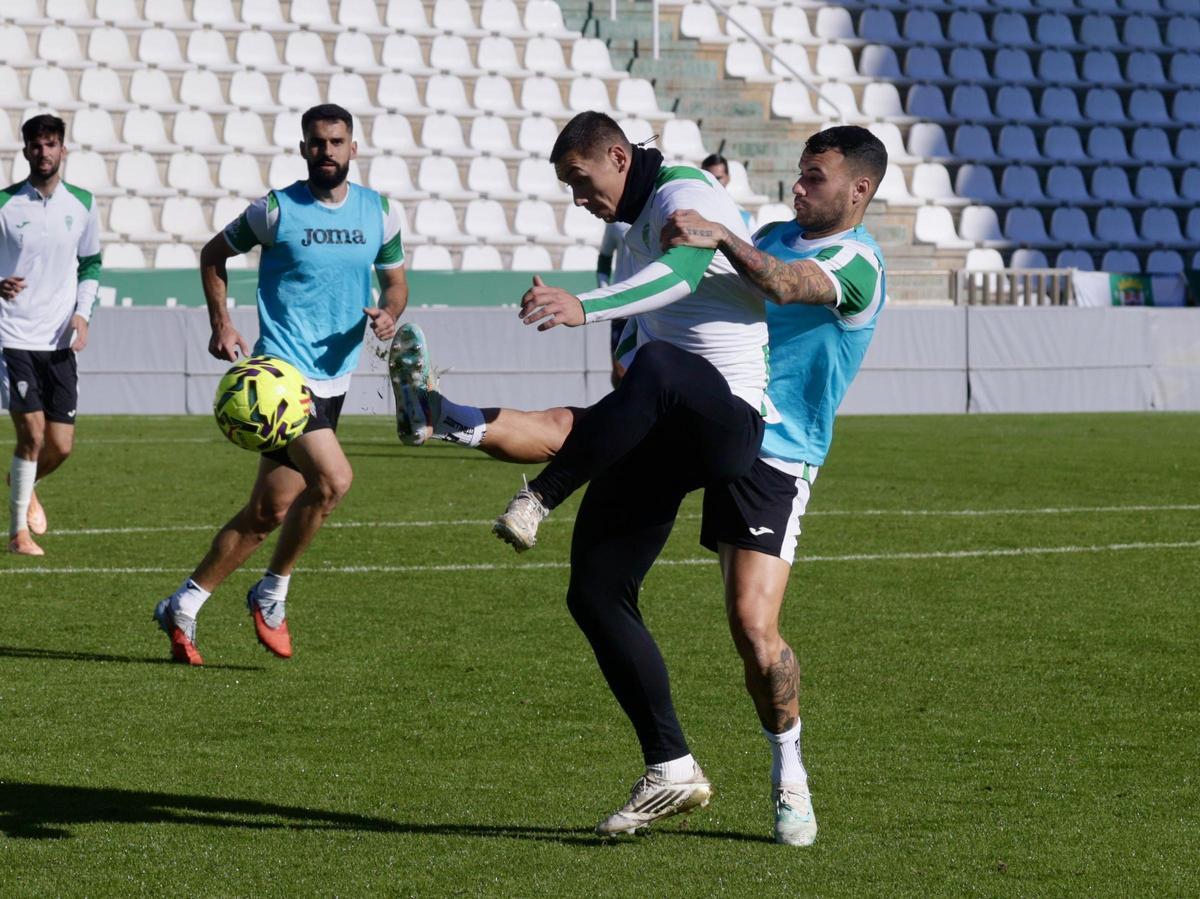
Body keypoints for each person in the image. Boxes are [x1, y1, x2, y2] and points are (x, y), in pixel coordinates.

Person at [393, 125, 889, 845]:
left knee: (754, 631)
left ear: (860, 190)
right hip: (690, 405)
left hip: (773, 449)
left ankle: (789, 767)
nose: (799, 186)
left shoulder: (859, 264)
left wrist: (715, 234)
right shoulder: (773, 228)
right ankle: (671, 765)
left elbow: (781, 284)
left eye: (816, 176)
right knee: (593, 581)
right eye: (802, 172)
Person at [153, 104, 408, 666]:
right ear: (303, 149)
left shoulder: (380, 213)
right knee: (336, 480)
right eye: (317, 143)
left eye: (337, 142)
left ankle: (184, 602)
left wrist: (390, 313)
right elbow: (213, 254)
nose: (328, 152)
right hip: (282, 378)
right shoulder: (274, 209)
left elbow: (395, 281)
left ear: (353, 148)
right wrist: (221, 321)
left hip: (336, 378)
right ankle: (272, 594)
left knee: (267, 513)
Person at [0, 114, 101, 557]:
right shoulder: (4, 204)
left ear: (63, 150)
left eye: (52, 144)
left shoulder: (82, 203)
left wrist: (83, 315)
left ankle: (21, 478)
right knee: (33, 437)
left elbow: (92, 265)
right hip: (15, 334)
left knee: (60, 446)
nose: (44, 152)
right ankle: (17, 533)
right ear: (25, 152)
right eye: (36, 146)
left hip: (60, 342)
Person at [595, 221, 631, 386]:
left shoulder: (657, 212)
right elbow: (604, 257)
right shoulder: (616, 223)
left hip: (653, 306)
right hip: (622, 306)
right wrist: (604, 290)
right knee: (620, 371)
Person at [701, 153, 754, 232]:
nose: (713, 182)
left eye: (718, 178)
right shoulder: (692, 213)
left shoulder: (744, 218)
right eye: (709, 177)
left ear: (727, 178)